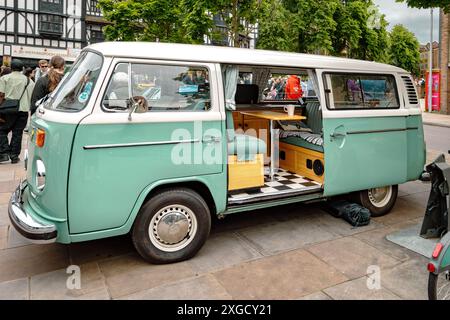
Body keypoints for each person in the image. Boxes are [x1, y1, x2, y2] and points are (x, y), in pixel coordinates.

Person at [0, 59, 34, 163]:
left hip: (7, 109)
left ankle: (4, 153)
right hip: (23, 110)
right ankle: (14, 156)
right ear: (22, 68)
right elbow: (32, 96)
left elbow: (1, 95)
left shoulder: (4, 78)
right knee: (17, 133)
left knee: (1, 130)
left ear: (11, 67)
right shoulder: (29, 81)